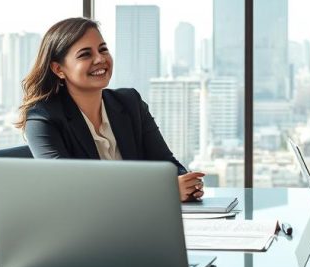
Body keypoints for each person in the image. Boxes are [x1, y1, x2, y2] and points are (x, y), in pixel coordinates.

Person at [16, 17, 205, 202]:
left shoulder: (130, 103)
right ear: (58, 69)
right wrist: (163, 192)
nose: (100, 59)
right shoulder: (42, 118)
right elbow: (69, 189)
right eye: (85, 54)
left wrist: (187, 183)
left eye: (103, 49)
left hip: (143, 221)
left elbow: (166, 163)